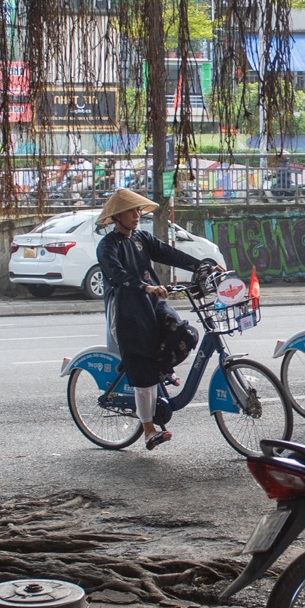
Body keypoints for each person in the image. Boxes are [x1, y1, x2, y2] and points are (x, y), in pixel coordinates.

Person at [95, 188, 207, 450]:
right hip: (127, 310)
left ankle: (163, 369)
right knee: (143, 368)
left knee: (185, 333)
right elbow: (116, 274)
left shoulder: (142, 238)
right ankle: (148, 429)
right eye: (131, 211)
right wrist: (145, 287)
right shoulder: (108, 245)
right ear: (117, 216)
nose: (137, 215)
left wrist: (201, 265)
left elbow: (169, 254)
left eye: (138, 210)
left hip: (152, 302)